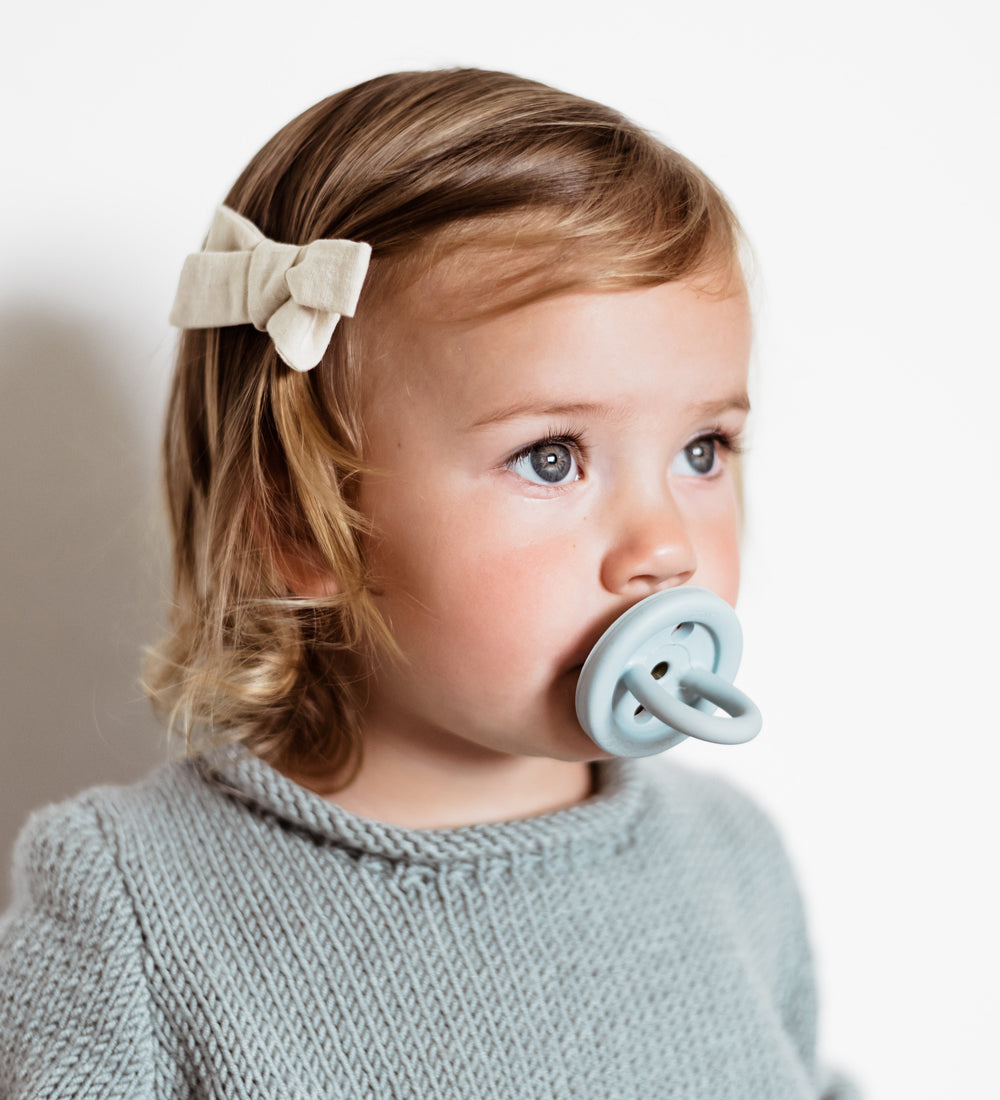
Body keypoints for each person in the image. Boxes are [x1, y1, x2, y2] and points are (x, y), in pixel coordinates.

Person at [0, 69, 855, 1098]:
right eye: (551, 456)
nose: (663, 545)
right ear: (303, 521)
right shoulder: (127, 901)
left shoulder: (730, 859)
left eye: (703, 448)